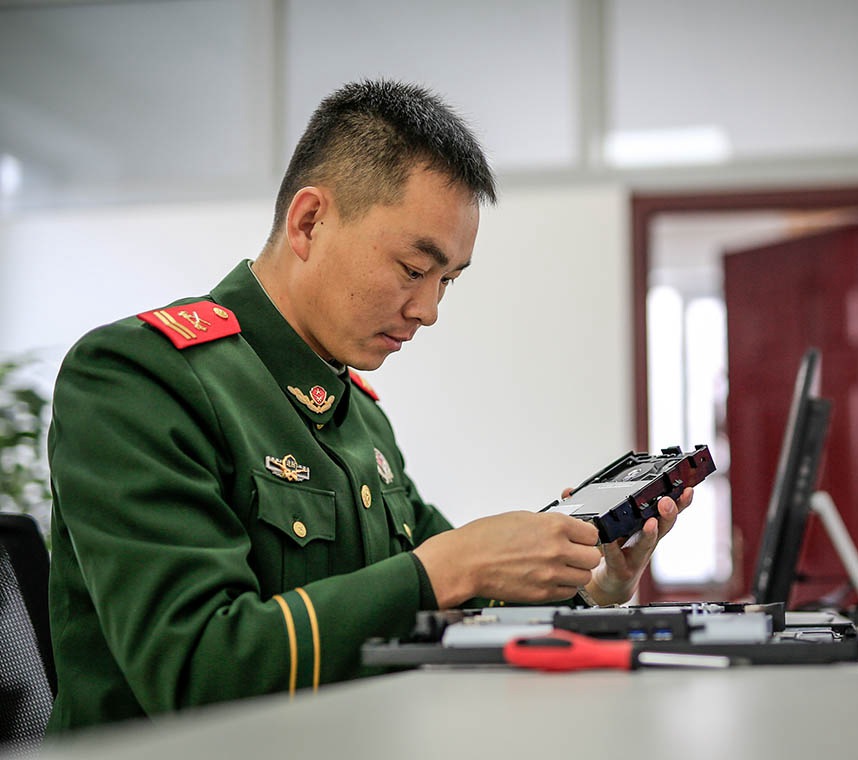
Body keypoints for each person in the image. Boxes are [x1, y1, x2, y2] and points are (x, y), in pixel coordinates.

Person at [45, 79, 692, 732]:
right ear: (309, 223)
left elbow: (465, 606)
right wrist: (451, 565)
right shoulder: (140, 376)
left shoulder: (356, 412)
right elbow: (195, 670)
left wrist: (594, 586)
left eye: (447, 281)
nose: (429, 310)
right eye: (413, 269)